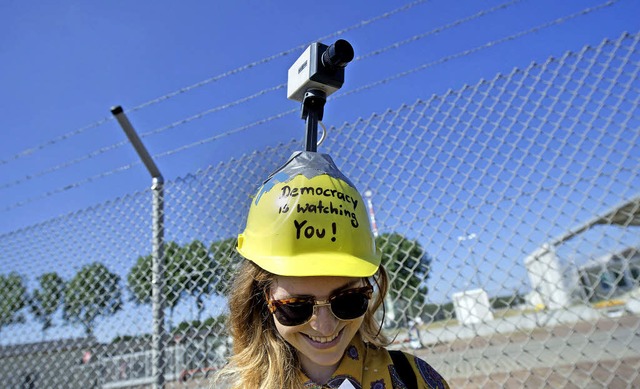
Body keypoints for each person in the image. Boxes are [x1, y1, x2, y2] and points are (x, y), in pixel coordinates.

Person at [213, 151, 449, 389]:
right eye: (296, 306)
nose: (325, 326)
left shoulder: (413, 379)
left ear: (366, 289)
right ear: (262, 300)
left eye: (348, 301)